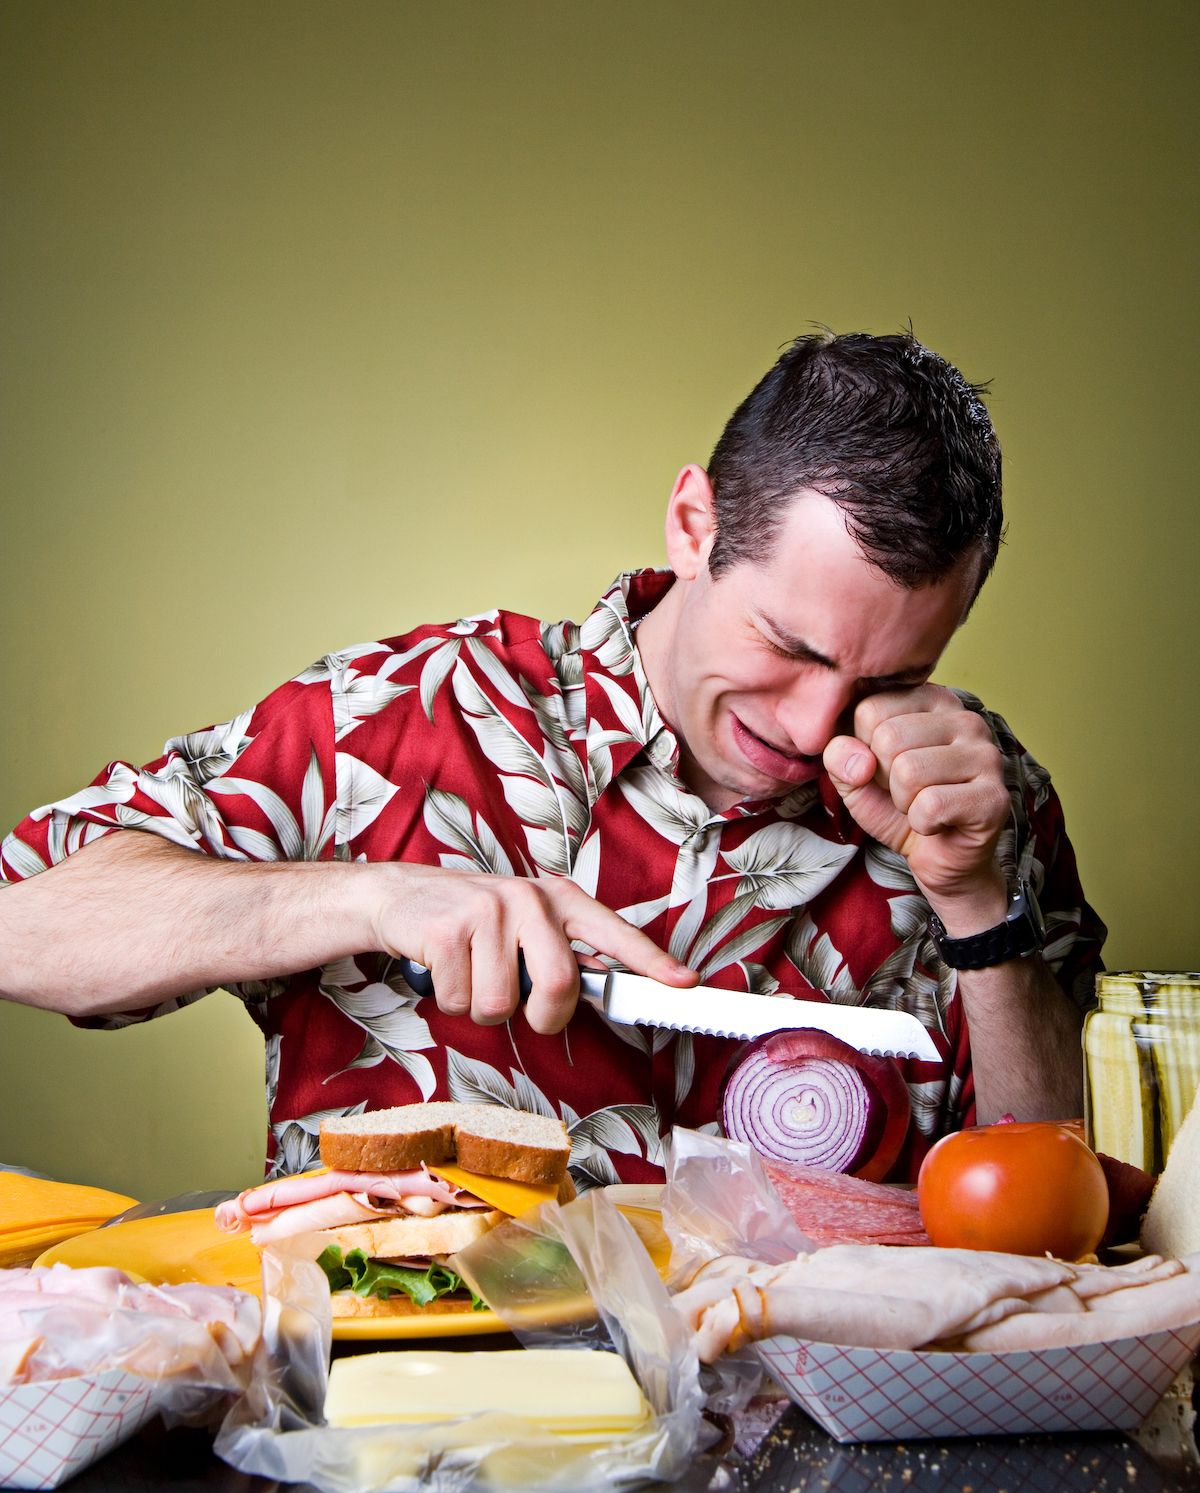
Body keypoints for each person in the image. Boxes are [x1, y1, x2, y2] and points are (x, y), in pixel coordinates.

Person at [0, 332, 1104, 1189]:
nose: (820, 729)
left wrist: (976, 903)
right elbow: (24, 926)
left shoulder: (974, 800)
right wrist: (370, 897)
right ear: (693, 524)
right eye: (787, 646)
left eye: (885, 674)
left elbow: (1062, 1213)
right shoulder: (400, 719)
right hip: (417, 1447)